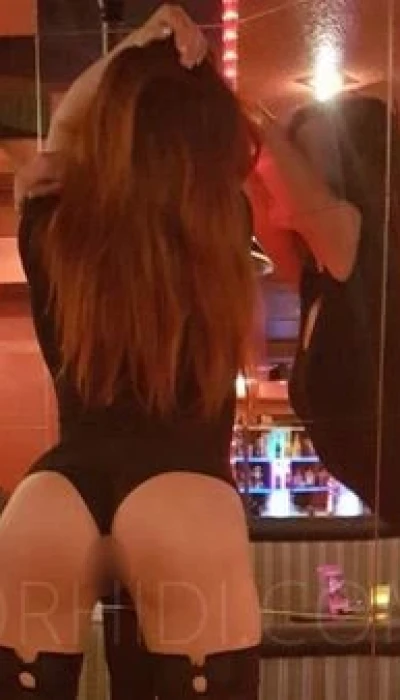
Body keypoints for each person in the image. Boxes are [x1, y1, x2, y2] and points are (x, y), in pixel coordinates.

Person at [0, 5, 262, 699]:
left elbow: (66, 131)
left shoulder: (54, 224)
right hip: (185, 497)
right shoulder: (222, 224)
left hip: (52, 499)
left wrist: (132, 50)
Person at [249, 96, 400, 531]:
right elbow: (257, 184)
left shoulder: (361, 247)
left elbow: (267, 156)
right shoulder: (316, 275)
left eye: (305, 161)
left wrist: (215, 84)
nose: (289, 174)